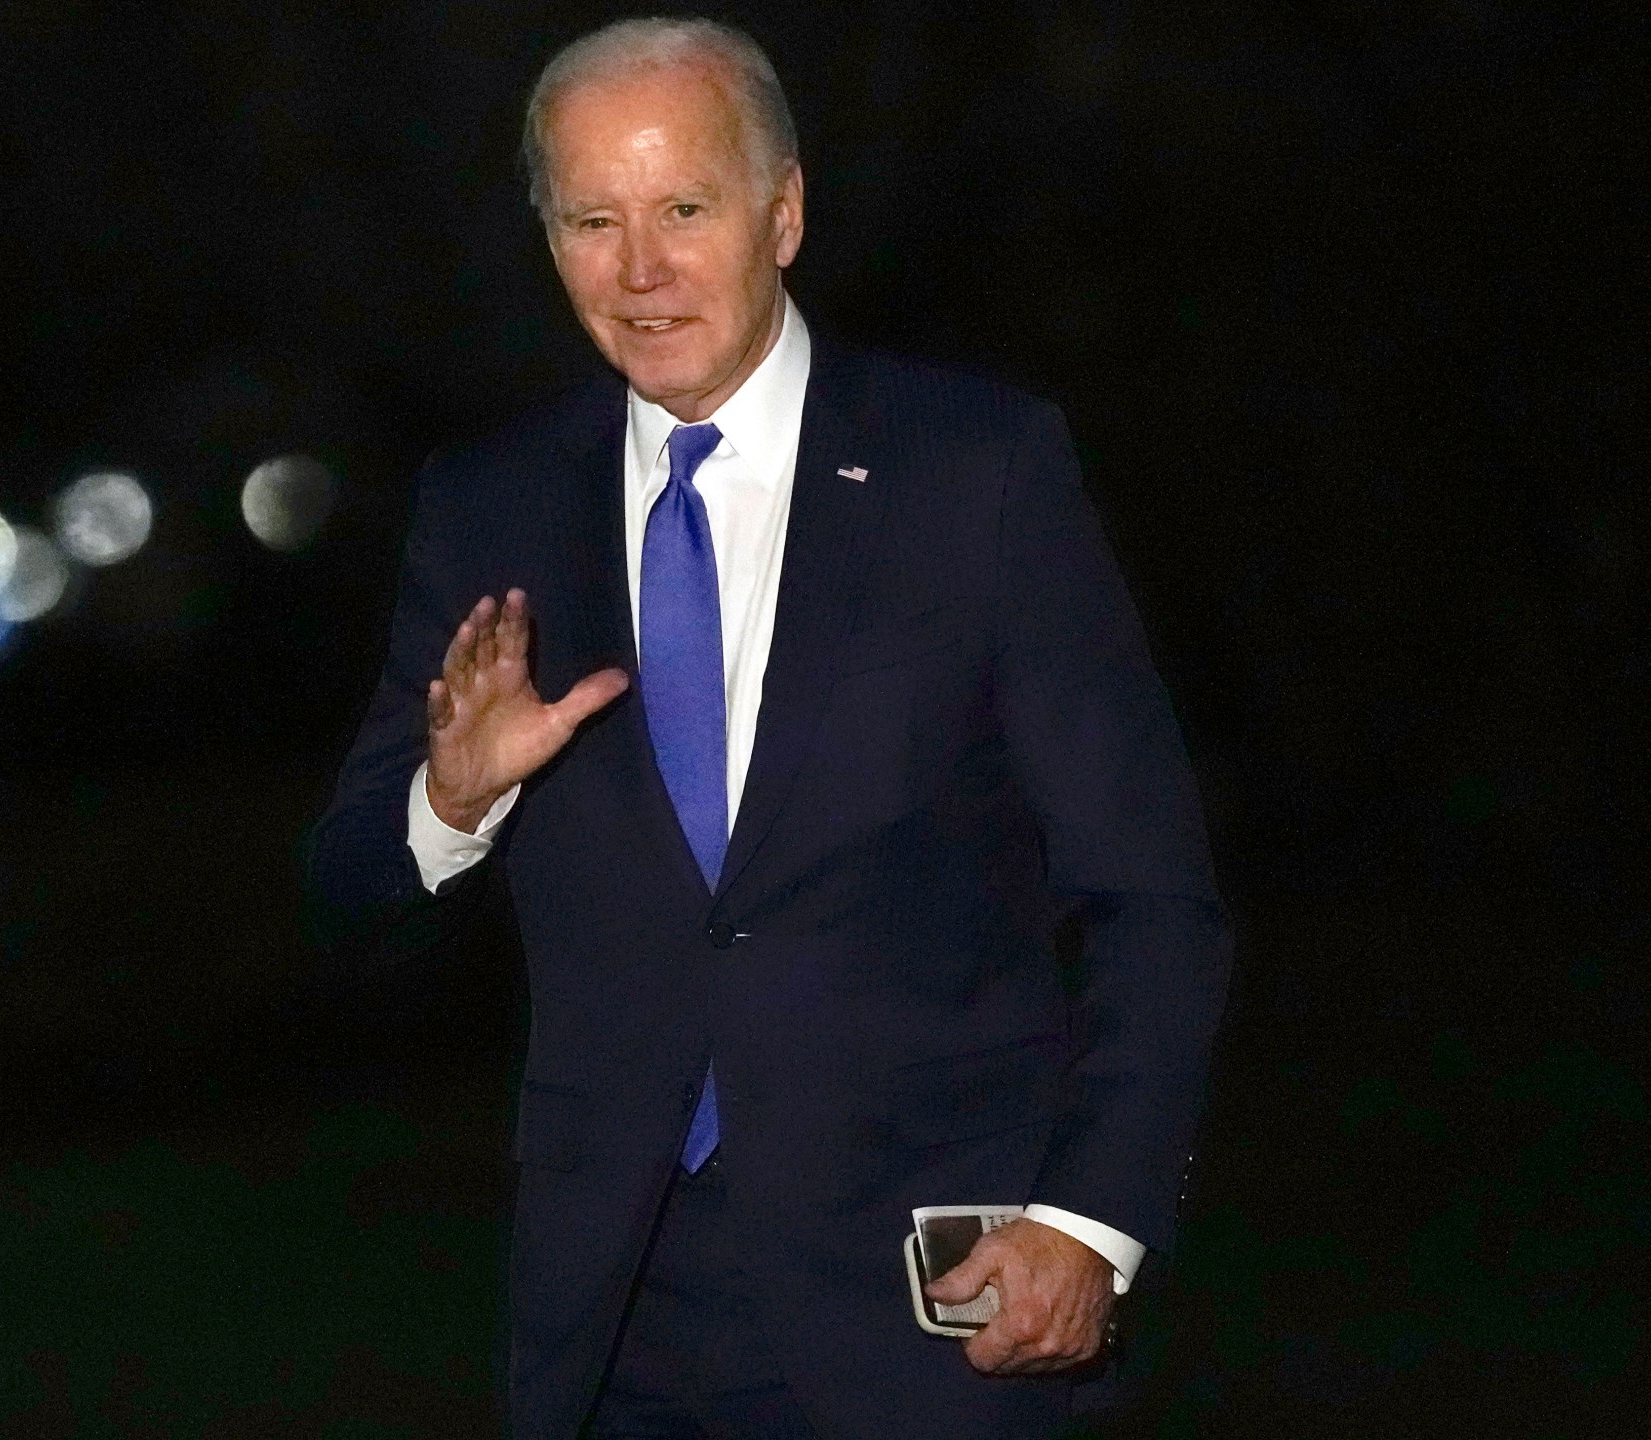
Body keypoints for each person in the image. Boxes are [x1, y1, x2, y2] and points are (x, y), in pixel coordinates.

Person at [309, 17, 1229, 1439]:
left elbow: (1157, 897)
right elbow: (347, 883)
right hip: (620, 1325)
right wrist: (450, 800)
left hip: (943, 1313)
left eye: (684, 209)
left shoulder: (974, 474)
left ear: (784, 210)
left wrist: (1095, 1222)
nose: (641, 270)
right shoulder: (490, 509)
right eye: (592, 221)